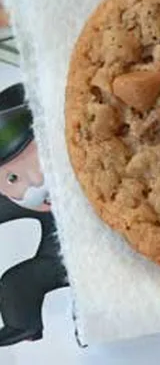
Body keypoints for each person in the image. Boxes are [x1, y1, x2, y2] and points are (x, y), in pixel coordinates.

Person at [0, 83, 67, 346]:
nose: (36, 181)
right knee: (17, 282)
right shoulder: (16, 201)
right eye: (13, 178)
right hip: (59, 259)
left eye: (41, 160)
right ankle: (23, 326)